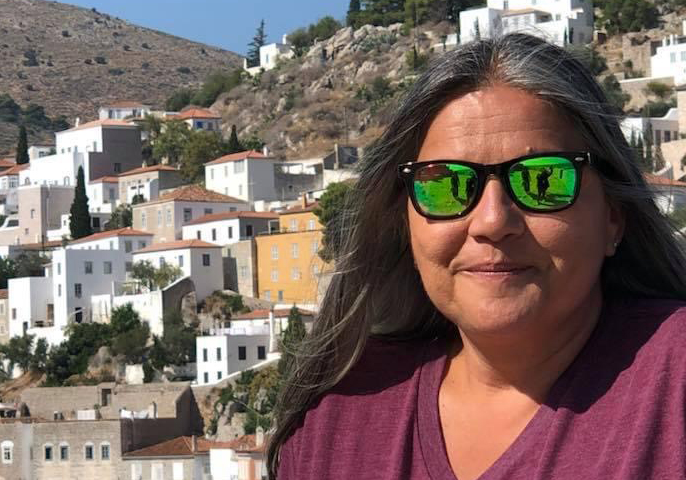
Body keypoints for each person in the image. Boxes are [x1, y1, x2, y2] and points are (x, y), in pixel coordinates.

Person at [269, 33, 686, 480]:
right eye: (445, 184)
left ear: (613, 219)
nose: (491, 221)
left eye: (543, 179)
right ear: (405, 221)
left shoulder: (674, 381)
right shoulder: (339, 422)